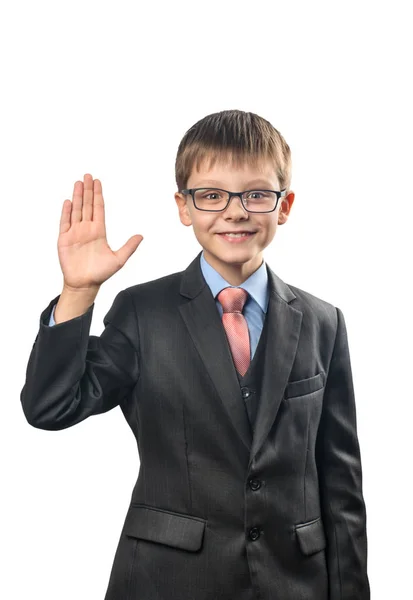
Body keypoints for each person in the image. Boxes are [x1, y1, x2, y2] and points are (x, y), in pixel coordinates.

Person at [20, 109, 370, 600]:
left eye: (256, 194)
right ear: (184, 207)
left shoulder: (323, 322)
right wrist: (77, 292)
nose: (235, 211)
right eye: (211, 195)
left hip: (294, 584)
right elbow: (49, 407)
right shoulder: (143, 311)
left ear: (284, 205)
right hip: (167, 581)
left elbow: (342, 484)